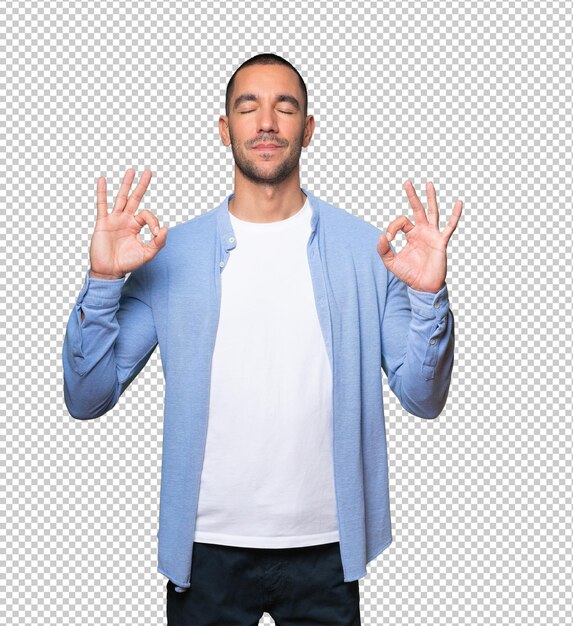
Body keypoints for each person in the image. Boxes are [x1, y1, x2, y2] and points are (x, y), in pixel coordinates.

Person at [62, 53, 462, 625]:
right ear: (225, 130)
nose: (267, 122)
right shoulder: (170, 254)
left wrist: (428, 298)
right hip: (205, 550)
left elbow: (424, 400)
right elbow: (87, 398)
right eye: (248, 107)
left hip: (328, 547)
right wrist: (103, 281)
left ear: (309, 128)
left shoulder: (372, 253)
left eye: (285, 107)